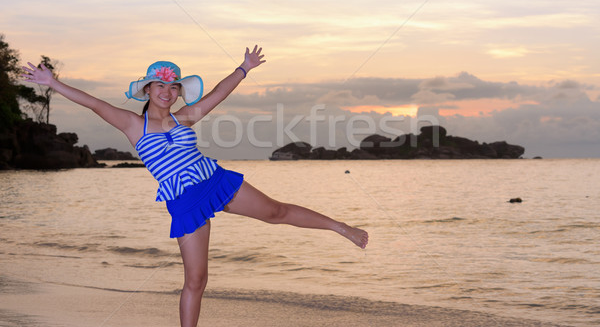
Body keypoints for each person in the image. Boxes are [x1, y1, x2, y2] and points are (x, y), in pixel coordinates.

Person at [22, 46, 368, 327]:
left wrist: (244, 68)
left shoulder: (184, 116)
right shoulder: (131, 123)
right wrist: (52, 83)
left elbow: (218, 94)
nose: (168, 91)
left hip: (213, 181)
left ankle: (343, 228)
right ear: (148, 89)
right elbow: (93, 103)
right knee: (197, 279)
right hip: (184, 201)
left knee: (275, 212)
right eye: (160, 85)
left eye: (173, 87)